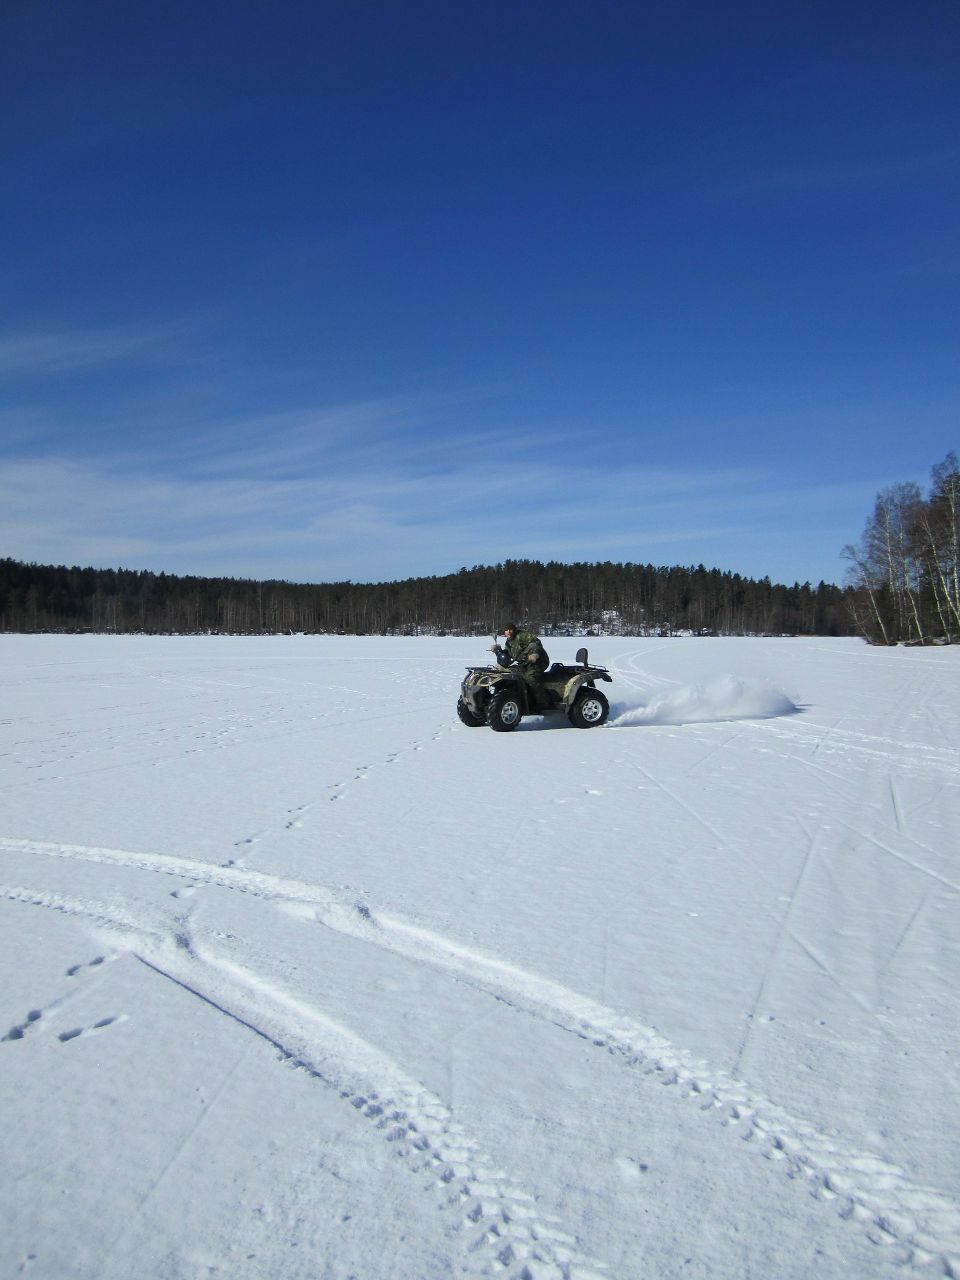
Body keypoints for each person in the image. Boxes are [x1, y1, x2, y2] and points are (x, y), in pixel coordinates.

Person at [489, 623, 549, 698]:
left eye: (510, 630)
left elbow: (536, 642)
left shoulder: (522, 635)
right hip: (525, 663)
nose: (508, 632)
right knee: (513, 674)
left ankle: (542, 700)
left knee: (530, 677)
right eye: (506, 630)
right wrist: (498, 651)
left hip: (539, 661)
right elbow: (508, 656)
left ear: (514, 630)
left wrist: (535, 654)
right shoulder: (509, 642)